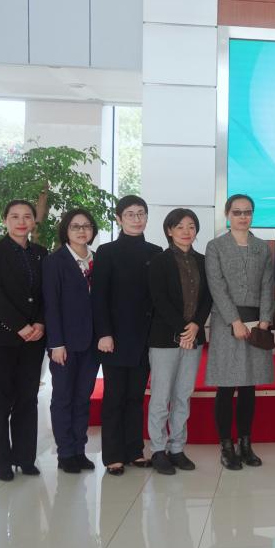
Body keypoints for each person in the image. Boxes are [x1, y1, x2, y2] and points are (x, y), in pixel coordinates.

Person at [92, 195, 162, 476]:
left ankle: (134, 450)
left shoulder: (156, 252)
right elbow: (99, 297)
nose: (136, 218)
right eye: (130, 214)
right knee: (114, 397)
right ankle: (112, 455)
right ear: (119, 219)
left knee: (135, 396)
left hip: (145, 337)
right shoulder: (106, 252)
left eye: (141, 213)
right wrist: (104, 333)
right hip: (115, 338)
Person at [0, 200, 47, 481]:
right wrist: (20, 326)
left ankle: (25, 457)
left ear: (33, 221)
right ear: (5, 219)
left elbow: (46, 293)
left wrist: (40, 322)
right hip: (1, 336)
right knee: (0, 400)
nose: (21, 222)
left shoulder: (41, 253)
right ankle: (1, 462)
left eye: (27, 216)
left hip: (35, 337)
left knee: (28, 398)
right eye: (15, 216)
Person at [205, 194, 275, 471]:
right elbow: (216, 285)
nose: (243, 217)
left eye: (247, 212)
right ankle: (226, 445)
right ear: (227, 214)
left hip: (256, 323)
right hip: (226, 324)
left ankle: (245, 443)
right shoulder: (216, 246)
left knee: (249, 386)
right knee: (226, 386)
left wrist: (265, 320)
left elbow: (268, 285)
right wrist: (234, 320)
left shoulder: (261, 247)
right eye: (237, 212)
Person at [146, 208, 212, 475]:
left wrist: (196, 325)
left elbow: (208, 298)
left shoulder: (204, 261)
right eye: (180, 226)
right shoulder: (158, 261)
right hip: (164, 338)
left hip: (194, 337)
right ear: (169, 231)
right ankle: (158, 450)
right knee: (161, 396)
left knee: (183, 395)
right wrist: (184, 329)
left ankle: (177, 448)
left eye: (191, 226)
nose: (186, 231)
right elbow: (158, 299)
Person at [42, 208, 102, 474]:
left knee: (82, 398)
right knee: (63, 398)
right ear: (66, 230)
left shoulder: (97, 260)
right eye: (75, 226)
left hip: (91, 344)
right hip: (64, 345)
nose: (81, 231)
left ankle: (79, 449)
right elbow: (51, 305)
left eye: (86, 226)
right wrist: (56, 343)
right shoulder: (55, 262)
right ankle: (65, 452)